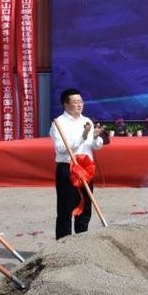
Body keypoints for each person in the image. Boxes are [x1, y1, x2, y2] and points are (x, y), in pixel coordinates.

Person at [49, 88, 104, 240]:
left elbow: (94, 147)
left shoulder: (87, 121)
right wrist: (83, 136)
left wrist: (95, 137)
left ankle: (82, 242)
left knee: (85, 208)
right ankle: (63, 245)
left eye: (81, 101)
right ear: (66, 104)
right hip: (68, 168)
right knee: (65, 209)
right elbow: (61, 148)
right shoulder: (59, 123)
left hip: (86, 169)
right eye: (75, 102)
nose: (80, 104)